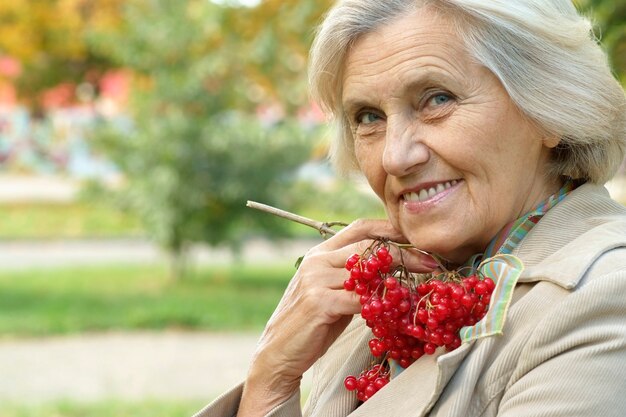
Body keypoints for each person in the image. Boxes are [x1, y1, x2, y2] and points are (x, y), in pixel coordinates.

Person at [196, 0, 626, 416]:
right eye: (368, 117)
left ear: (549, 108)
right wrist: (271, 379)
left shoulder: (604, 297)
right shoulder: (385, 302)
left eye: (437, 99)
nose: (394, 158)